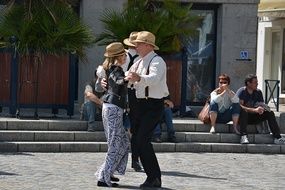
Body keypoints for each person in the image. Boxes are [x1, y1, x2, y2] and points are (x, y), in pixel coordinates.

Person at [126, 31, 169, 188]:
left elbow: (154, 79)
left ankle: (154, 177)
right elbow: (127, 75)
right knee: (138, 140)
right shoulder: (138, 61)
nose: (135, 46)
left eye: (138, 43)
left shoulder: (158, 61)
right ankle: (152, 177)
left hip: (152, 105)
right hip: (140, 105)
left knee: (143, 140)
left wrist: (138, 78)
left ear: (148, 45)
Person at [95, 42, 130, 187]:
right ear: (120, 56)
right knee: (116, 144)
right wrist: (128, 78)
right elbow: (118, 81)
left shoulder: (109, 68)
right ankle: (104, 177)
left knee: (122, 143)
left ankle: (106, 172)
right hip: (113, 108)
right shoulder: (116, 69)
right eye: (124, 54)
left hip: (111, 107)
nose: (126, 57)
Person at [236, 74, 285, 144]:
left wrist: (262, 109)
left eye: (257, 82)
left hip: (255, 116)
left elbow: (261, 104)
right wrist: (254, 110)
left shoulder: (258, 92)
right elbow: (239, 106)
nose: (257, 84)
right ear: (248, 83)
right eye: (255, 82)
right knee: (243, 111)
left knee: (270, 113)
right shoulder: (242, 91)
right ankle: (243, 136)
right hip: (243, 118)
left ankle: (277, 137)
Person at [122, 31, 143, 172]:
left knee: (125, 130)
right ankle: (135, 160)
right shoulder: (141, 59)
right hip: (132, 94)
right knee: (135, 129)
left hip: (124, 94)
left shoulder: (122, 55)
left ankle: (131, 160)